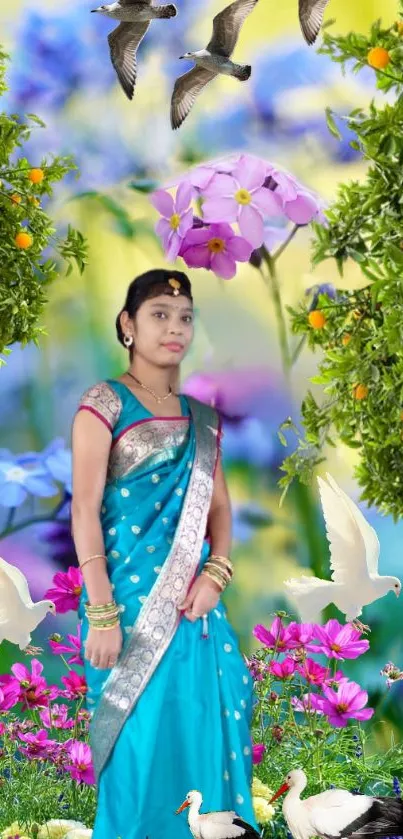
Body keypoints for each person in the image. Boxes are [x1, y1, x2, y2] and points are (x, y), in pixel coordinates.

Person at [71, 268, 259, 839]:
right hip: (126, 609)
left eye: (184, 317)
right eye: (159, 314)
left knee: (200, 732)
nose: (174, 328)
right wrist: (102, 612)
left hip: (195, 615)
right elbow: (84, 511)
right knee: (137, 745)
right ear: (127, 325)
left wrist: (215, 575)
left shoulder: (202, 420)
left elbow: (220, 511)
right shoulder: (103, 403)